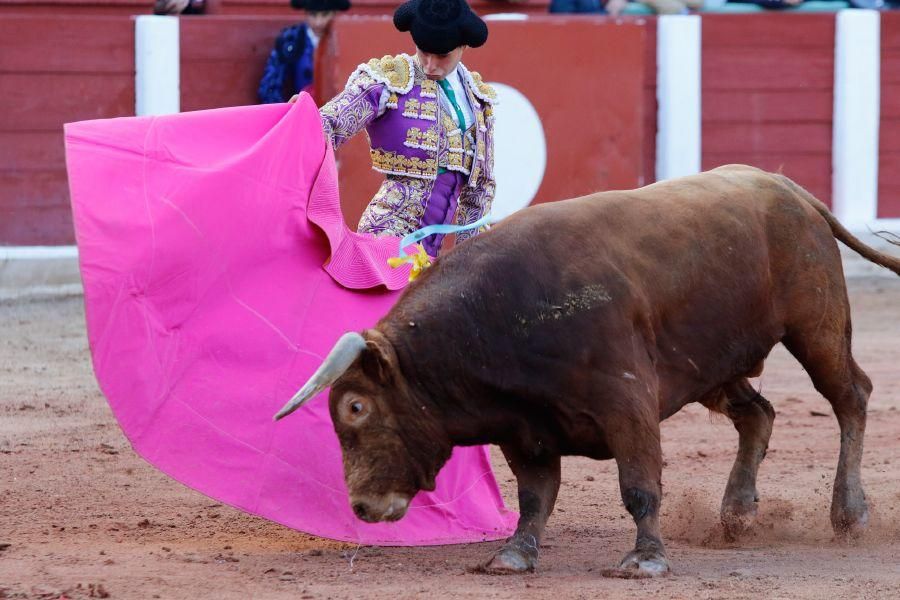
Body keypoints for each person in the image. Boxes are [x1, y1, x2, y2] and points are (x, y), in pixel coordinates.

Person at [293, 0, 497, 258]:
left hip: (432, 257)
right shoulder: (390, 81)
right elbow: (327, 125)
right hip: (388, 239)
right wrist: (296, 122)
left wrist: (469, 261)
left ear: (463, 47)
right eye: (423, 51)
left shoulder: (479, 99)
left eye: (442, 55)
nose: (429, 65)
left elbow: (479, 190)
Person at [258, 0, 351, 104]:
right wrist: (288, 112)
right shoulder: (291, 39)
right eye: (313, 15)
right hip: (301, 110)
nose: (318, 22)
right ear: (306, 13)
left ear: (334, 13)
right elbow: (270, 86)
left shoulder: (346, 40)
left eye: (325, 15)